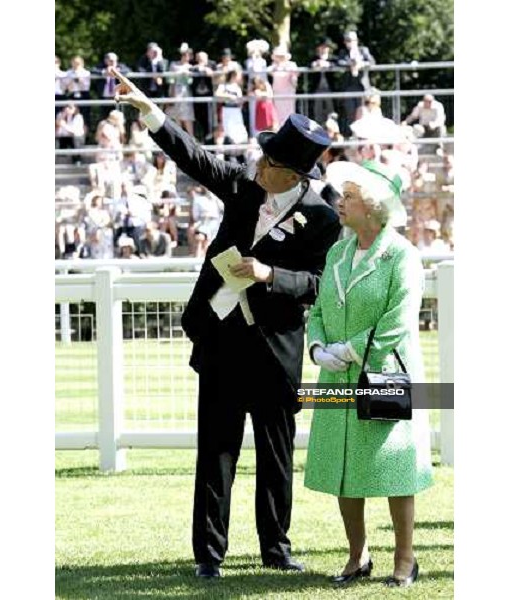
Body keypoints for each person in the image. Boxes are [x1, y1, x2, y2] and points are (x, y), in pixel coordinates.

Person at [113, 66, 341, 578]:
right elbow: (194, 156)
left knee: (276, 458)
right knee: (215, 454)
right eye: (262, 155)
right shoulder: (242, 187)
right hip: (221, 343)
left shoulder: (324, 219)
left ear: (295, 174)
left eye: (271, 160)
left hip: (276, 350)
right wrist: (149, 110)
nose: (259, 163)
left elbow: (320, 285)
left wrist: (269, 274)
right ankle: (208, 557)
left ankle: (276, 550)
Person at [305, 160, 433, 588]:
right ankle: (357, 556)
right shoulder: (337, 252)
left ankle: (405, 558)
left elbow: (400, 319)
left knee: (394, 467)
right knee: (344, 463)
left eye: (349, 197)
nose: (340, 203)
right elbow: (319, 310)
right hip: (337, 376)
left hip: (383, 374)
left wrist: (353, 350)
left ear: (374, 207)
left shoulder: (402, 255)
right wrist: (319, 348)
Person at [337, 31, 375, 135]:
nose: (350, 42)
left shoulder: (363, 50)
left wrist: (361, 64)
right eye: (348, 40)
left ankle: (364, 136)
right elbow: (339, 62)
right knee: (350, 113)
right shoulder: (343, 52)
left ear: (356, 41)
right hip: (349, 87)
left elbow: (371, 61)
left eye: (352, 40)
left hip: (362, 87)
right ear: (345, 42)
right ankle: (352, 136)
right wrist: (351, 64)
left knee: (363, 112)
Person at [269, 44, 299, 127]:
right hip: (277, 92)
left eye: (281, 56)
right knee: (278, 112)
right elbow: (269, 71)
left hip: (288, 92)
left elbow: (295, 77)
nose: (280, 58)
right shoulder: (274, 66)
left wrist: (294, 81)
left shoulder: (292, 64)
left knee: (289, 111)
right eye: (278, 56)